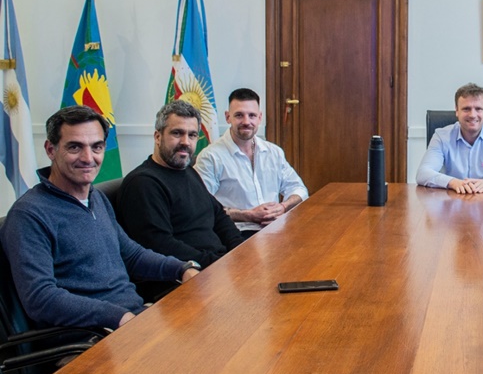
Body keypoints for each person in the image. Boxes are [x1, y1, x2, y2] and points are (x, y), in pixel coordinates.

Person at [0, 106, 200, 330]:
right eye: (75, 147)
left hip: (132, 319)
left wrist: (183, 268)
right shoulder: (28, 215)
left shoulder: (96, 198)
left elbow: (132, 255)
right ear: (50, 150)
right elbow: (40, 299)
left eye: (96, 147)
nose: (88, 158)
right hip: (92, 336)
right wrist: (117, 316)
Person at [117, 101, 243, 270]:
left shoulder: (187, 171)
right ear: (157, 137)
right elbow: (160, 246)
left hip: (217, 265)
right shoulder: (143, 184)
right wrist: (220, 264)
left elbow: (219, 216)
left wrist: (240, 251)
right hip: (187, 274)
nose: (186, 142)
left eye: (192, 135)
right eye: (177, 133)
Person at [195, 88, 309, 240]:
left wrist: (283, 207)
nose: (246, 122)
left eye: (252, 115)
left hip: (275, 230)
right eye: (239, 115)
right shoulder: (211, 157)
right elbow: (201, 207)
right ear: (228, 117)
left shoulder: (273, 152)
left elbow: (299, 189)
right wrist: (247, 215)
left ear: (259, 118)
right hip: (236, 233)